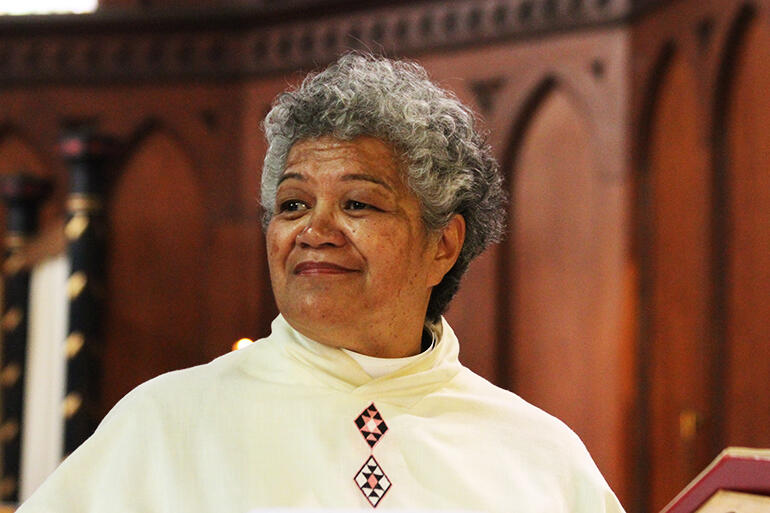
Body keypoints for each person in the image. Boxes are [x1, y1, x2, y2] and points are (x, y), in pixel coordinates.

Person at [19, 53, 625, 512]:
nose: (315, 229)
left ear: (443, 244)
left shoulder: (539, 457)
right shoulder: (164, 424)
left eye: (358, 204)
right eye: (291, 205)